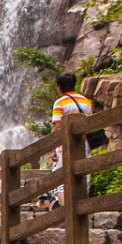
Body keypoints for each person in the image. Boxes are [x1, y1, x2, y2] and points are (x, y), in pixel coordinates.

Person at [48, 72, 96, 206]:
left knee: (58, 178)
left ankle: (67, 210)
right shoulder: (86, 101)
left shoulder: (60, 102)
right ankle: (80, 209)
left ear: (59, 87)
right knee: (82, 176)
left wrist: (53, 149)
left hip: (65, 145)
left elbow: (56, 126)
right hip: (83, 143)